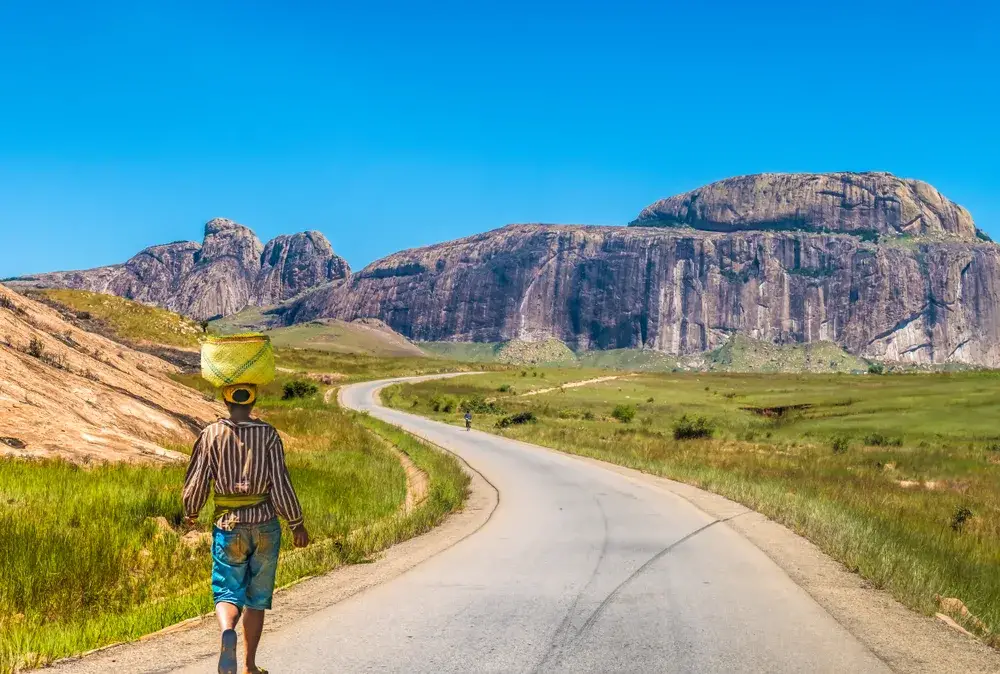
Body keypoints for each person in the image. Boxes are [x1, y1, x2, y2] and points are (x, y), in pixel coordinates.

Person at [183, 383, 310, 674]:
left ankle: (228, 629)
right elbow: (280, 482)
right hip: (265, 524)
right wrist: (296, 522)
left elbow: (198, 479)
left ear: (225, 401)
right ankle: (249, 666)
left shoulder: (211, 435)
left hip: (228, 525)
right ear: (254, 400)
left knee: (227, 590)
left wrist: (191, 511)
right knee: (257, 597)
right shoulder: (268, 435)